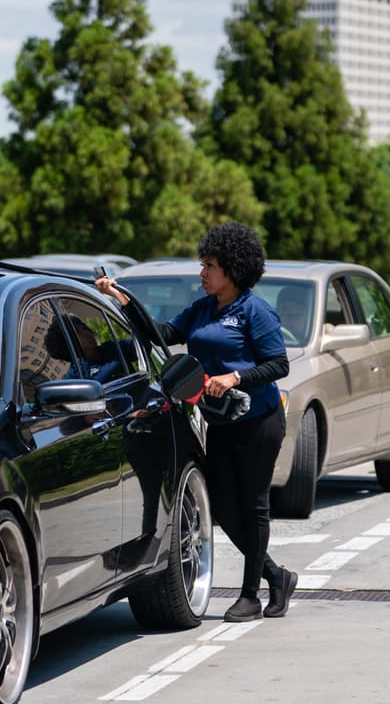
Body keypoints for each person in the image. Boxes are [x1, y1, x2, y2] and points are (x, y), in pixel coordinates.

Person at [95, 222, 296, 623]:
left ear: (233, 270)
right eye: (202, 264)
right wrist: (122, 300)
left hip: (259, 422)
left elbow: (279, 364)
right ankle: (276, 574)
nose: (202, 272)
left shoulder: (255, 311)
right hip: (221, 422)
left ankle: (250, 595)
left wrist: (235, 377)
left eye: (210, 265)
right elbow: (163, 334)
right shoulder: (203, 309)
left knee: (254, 505)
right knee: (220, 503)